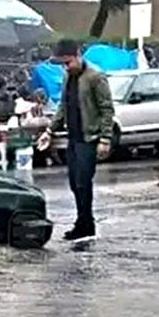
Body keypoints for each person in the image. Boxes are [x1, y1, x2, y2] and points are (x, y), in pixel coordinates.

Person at [37, 39, 114, 240]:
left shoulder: (95, 77)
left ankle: (86, 224)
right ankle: (83, 221)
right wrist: (49, 130)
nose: (66, 67)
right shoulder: (67, 77)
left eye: (68, 62)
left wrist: (105, 139)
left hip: (89, 138)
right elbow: (63, 106)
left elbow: (107, 109)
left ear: (78, 55)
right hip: (74, 137)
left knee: (83, 182)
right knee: (74, 183)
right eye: (63, 64)